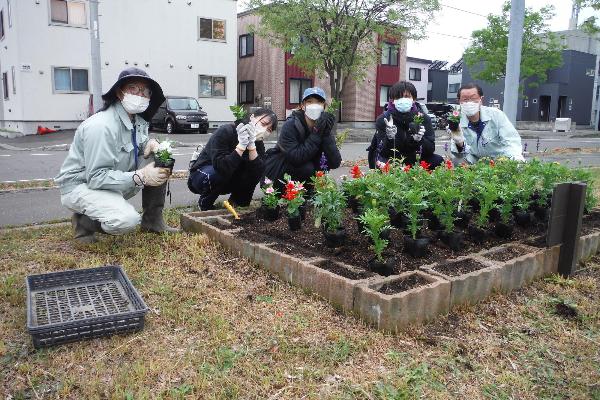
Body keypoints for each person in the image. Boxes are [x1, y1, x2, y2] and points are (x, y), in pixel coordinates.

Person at [55, 67, 177, 243]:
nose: (140, 95)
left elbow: (138, 145)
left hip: (112, 178)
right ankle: (85, 222)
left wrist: (150, 145)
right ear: (120, 93)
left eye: (145, 91)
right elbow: (96, 177)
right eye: (134, 88)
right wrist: (140, 176)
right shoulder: (101, 126)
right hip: (82, 185)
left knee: (161, 158)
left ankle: (152, 222)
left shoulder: (137, 120)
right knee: (127, 220)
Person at [188, 108, 278, 211]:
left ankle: (237, 204)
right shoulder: (226, 131)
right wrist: (241, 145)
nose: (264, 130)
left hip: (228, 179)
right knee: (219, 172)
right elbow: (221, 166)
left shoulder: (258, 144)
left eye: (269, 130)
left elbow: (258, 172)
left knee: (254, 171)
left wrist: (252, 146)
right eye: (263, 123)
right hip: (203, 175)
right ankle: (205, 204)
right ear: (252, 117)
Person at [263, 87, 341, 192]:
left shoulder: (323, 126)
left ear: (324, 107)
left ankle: (310, 194)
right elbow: (296, 157)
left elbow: (334, 162)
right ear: (302, 106)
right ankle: (288, 195)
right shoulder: (291, 125)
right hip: (279, 170)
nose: (314, 106)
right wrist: (316, 133)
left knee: (322, 165)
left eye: (318, 102)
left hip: (304, 172)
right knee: (306, 168)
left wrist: (325, 133)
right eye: (309, 102)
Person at [367, 81, 443, 170]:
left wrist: (418, 140)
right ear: (392, 100)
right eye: (398, 97)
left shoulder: (423, 118)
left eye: (407, 96)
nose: (403, 100)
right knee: (382, 163)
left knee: (438, 161)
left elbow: (430, 149)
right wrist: (390, 138)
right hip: (393, 158)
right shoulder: (384, 119)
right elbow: (383, 152)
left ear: (414, 99)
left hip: (415, 158)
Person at [449, 82, 524, 164]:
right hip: (473, 161)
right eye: (465, 99)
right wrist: (459, 143)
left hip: (498, 159)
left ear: (481, 99)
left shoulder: (496, 115)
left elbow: (511, 140)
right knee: (457, 161)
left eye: (473, 98)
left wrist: (514, 158)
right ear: (459, 101)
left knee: (517, 162)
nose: (469, 102)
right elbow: (458, 154)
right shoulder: (456, 120)